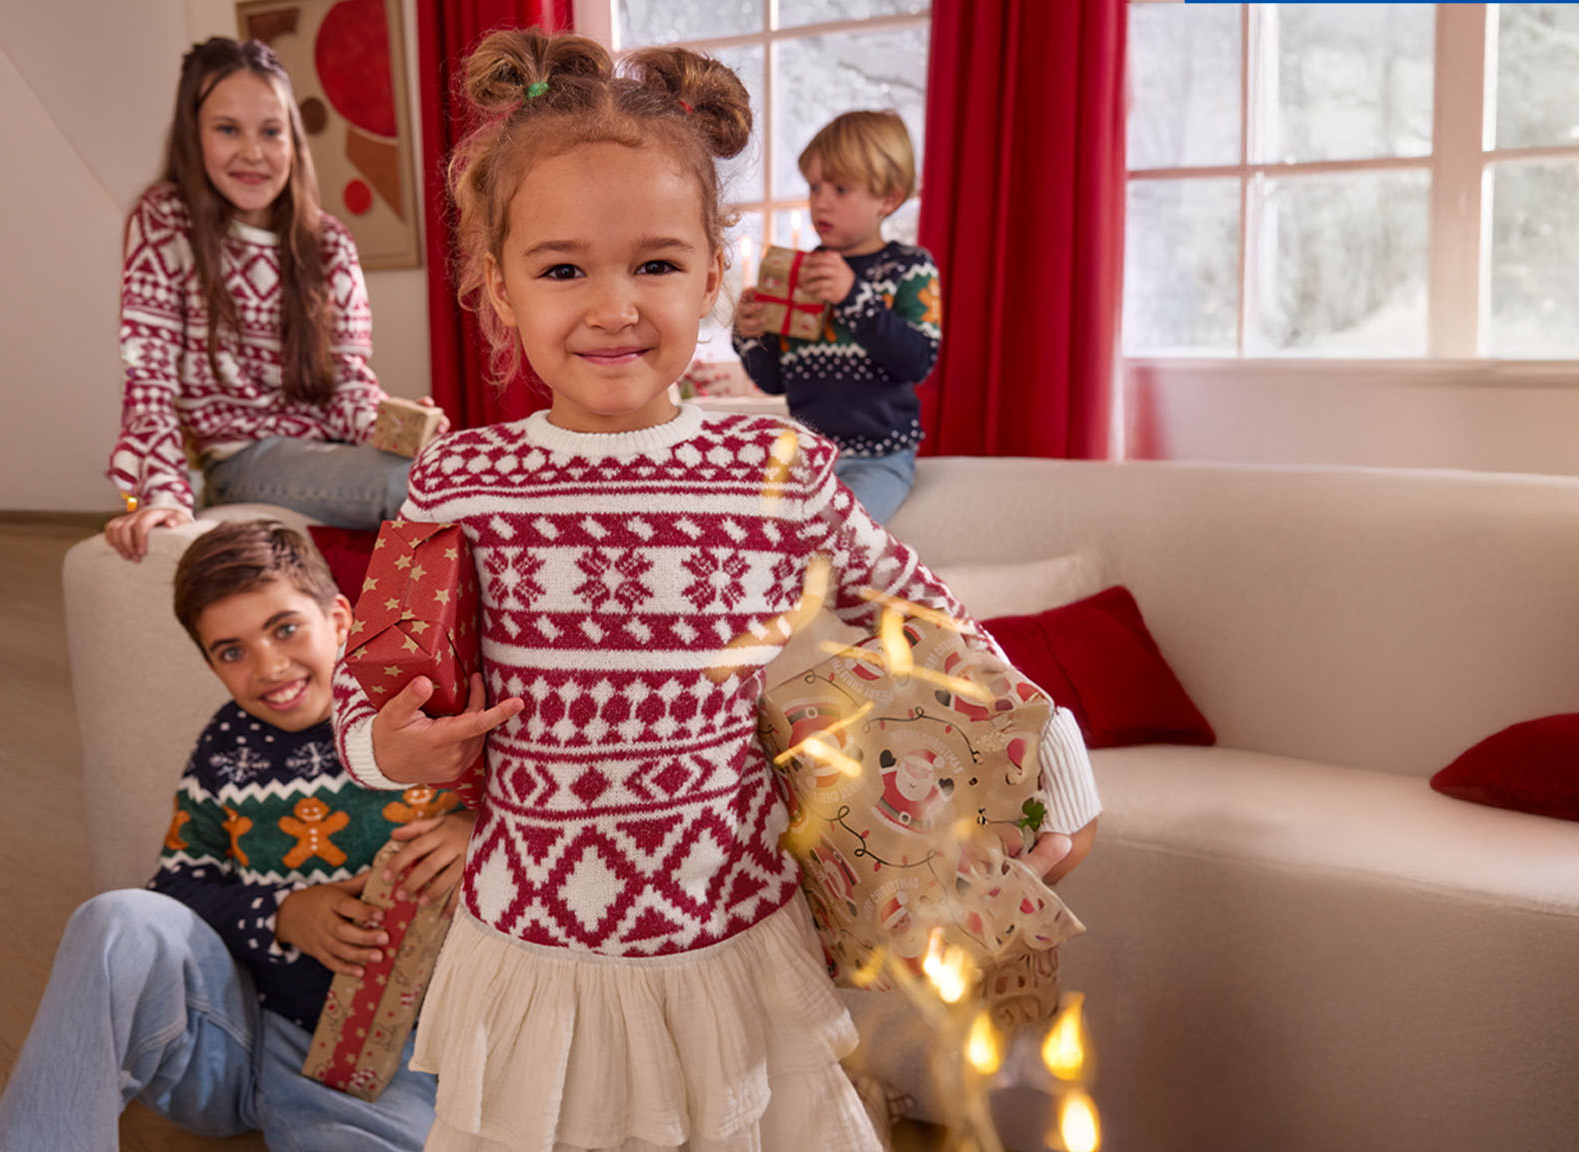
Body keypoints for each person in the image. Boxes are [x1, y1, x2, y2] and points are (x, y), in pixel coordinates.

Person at [329, 30, 1101, 1152]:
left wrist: (1058, 775)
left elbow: (925, 613)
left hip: (728, 943)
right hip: (540, 956)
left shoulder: (771, 469)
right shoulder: (460, 481)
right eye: (561, 268)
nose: (612, 306)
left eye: (653, 264)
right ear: (494, 288)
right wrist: (384, 753)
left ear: (713, 276)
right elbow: (374, 681)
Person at [0, 521, 471, 1151]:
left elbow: (539, 814)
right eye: (232, 651)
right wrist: (283, 914)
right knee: (117, 920)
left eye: (285, 629)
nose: (270, 667)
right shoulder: (226, 751)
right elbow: (179, 884)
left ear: (340, 618)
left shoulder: (417, 715)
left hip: (388, 1058)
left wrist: (470, 828)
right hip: (241, 1038)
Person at [104, 37, 413, 561]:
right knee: (416, 483)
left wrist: (397, 428)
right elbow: (148, 377)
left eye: (271, 132)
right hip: (240, 462)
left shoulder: (329, 242)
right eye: (228, 130)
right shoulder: (165, 222)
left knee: (446, 463)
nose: (253, 152)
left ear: (293, 140)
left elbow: (347, 387)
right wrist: (163, 494)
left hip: (326, 451)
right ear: (192, 135)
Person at [732, 109, 939, 523]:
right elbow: (773, 379)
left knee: (840, 531)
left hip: (879, 458)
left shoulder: (908, 269)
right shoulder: (800, 273)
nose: (820, 201)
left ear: (889, 199)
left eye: (841, 189)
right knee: (751, 525)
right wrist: (750, 335)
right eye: (814, 187)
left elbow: (917, 360)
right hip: (806, 460)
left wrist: (853, 298)